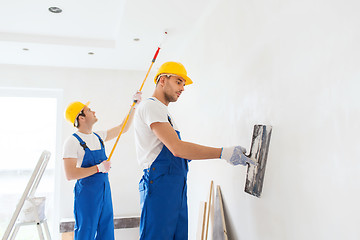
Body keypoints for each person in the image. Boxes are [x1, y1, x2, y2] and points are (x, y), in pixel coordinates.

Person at [134, 61, 256, 239]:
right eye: (178, 81)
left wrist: (188, 155)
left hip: (176, 186)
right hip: (159, 186)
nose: (182, 88)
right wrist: (223, 153)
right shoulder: (150, 106)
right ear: (162, 80)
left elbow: (176, 152)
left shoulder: (163, 112)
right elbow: (177, 148)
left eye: (183, 84)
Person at [62, 92, 141, 240]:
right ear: (81, 117)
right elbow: (70, 174)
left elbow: (122, 128)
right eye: (89, 110)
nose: (94, 112)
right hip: (87, 195)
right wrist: (98, 168)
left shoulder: (98, 137)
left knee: (106, 231)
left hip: (104, 191)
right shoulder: (72, 142)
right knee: (86, 232)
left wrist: (134, 105)